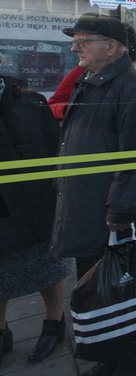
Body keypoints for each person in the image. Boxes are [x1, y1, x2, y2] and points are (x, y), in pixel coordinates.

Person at [50, 13, 136, 376]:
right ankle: (110, 360)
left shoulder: (134, 89)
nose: (76, 47)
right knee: (101, 295)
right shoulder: (90, 81)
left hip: (112, 218)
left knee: (124, 297)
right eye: (76, 41)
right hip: (89, 210)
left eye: (84, 41)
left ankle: (131, 368)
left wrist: (120, 216)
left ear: (112, 47)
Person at [0, 63, 69, 367]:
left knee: (45, 266)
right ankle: (1, 332)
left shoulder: (29, 101)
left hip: (35, 204)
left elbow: (56, 150)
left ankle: (54, 322)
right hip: (12, 206)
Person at [48, 24, 136, 121]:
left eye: (83, 42)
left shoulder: (134, 82)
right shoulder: (82, 72)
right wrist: (73, 109)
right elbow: (52, 106)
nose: (75, 49)